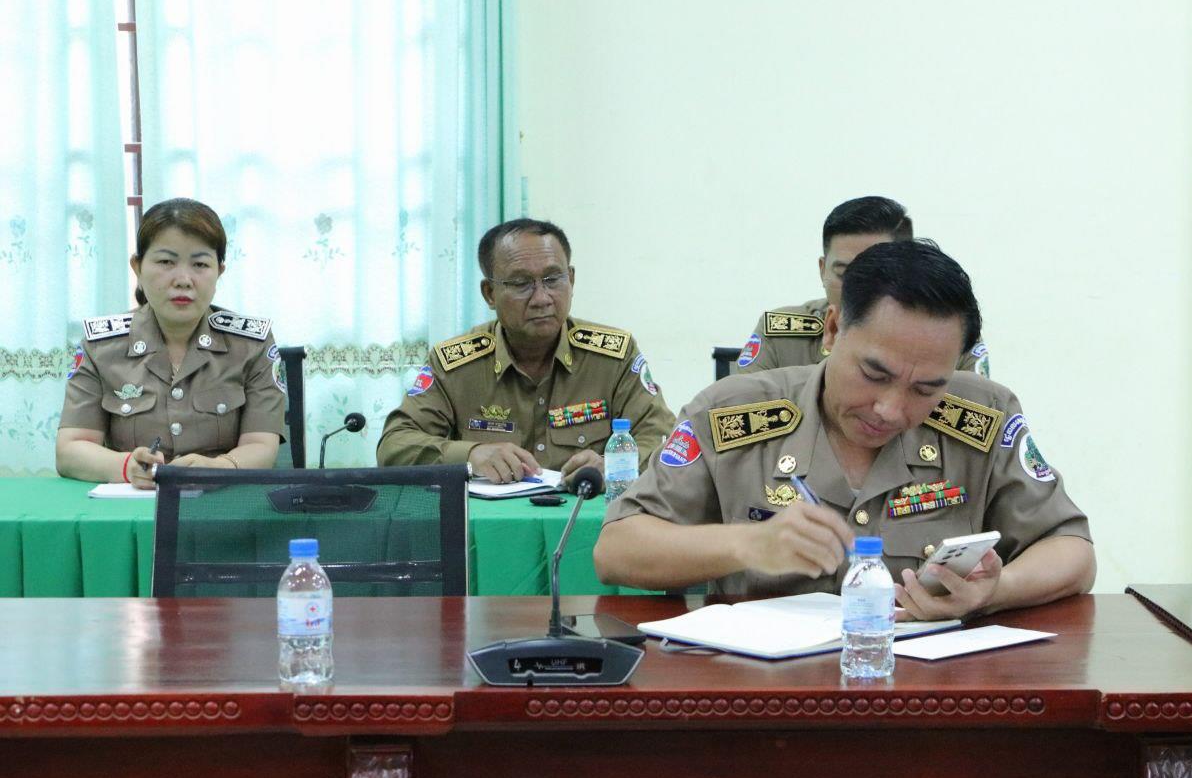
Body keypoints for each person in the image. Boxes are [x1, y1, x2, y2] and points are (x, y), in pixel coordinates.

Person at [595, 240, 1094, 621]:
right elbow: (616, 550)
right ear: (833, 330)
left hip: (928, 696)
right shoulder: (731, 415)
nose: (890, 409)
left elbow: (1073, 550)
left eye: (925, 388)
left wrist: (995, 591)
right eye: (874, 374)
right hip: (765, 697)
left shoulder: (982, 417)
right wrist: (747, 544)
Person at [377, 218, 676, 486]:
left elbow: (664, 441)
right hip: (489, 525)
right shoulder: (454, 364)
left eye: (553, 279)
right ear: (489, 294)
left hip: (590, 521)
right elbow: (394, 445)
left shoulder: (613, 357)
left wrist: (613, 465)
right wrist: (471, 454)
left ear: (571, 280)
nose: (542, 298)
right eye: (521, 283)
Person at [56, 198, 286, 489]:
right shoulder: (101, 346)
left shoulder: (251, 345)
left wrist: (219, 468)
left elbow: (261, 445)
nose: (183, 280)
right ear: (138, 267)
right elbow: (71, 449)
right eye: (166, 262)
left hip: (219, 502)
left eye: (200, 264)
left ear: (219, 272)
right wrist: (127, 467)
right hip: (130, 503)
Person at [735, 196, 990, 378]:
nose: (857, 287)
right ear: (823, 269)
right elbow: (740, 411)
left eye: (878, 274)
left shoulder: (949, 335)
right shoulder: (780, 334)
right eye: (843, 273)